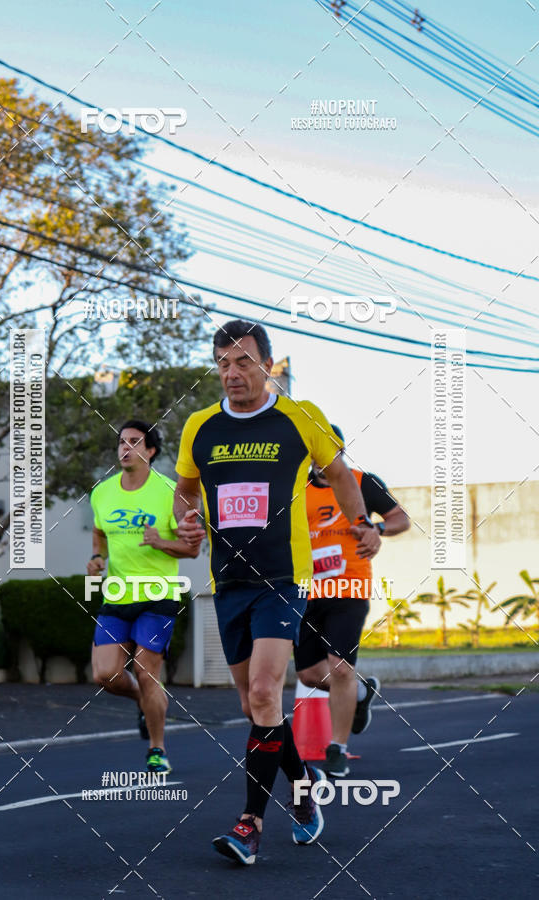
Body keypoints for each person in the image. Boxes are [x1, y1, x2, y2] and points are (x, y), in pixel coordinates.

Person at [173, 320, 380, 865]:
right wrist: (187, 522)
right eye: (223, 363)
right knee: (254, 706)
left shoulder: (300, 416)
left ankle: (250, 825)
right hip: (228, 582)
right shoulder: (200, 426)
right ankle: (305, 789)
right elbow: (186, 491)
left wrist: (362, 522)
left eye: (243, 361)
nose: (232, 372)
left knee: (266, 693)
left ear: (267, 366)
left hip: (283, 580)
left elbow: (340, 475)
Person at [295, 425, 410, 777]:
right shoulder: (296, 490)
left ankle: (338, 749)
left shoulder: (362, 482)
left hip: (349, 589)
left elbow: (400, 518)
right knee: (309, 674)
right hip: (306, 591)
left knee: (341, 667)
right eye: (316, 449)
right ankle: (360, 693)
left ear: (341, 450)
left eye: (330, 449)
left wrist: (378, 529)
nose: (322, 457)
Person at [88, 419, 201, 774]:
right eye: (122, 442)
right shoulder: (102, 493)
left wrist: (160, 542)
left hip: (159, 595)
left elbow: (191, 549)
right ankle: (145, 700)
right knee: (105, 674)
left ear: (151, 450)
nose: (126, 448)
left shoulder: (171, 492)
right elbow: (99, 531)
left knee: (146, 670)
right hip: (118, 595)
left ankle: (157, 749)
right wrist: (97, 557)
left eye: (135, 442)